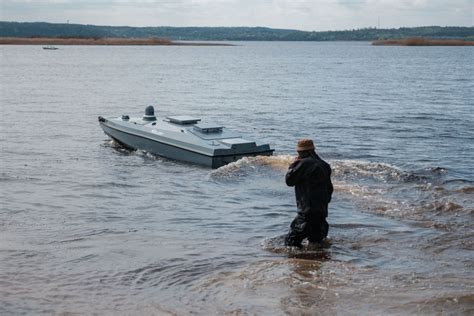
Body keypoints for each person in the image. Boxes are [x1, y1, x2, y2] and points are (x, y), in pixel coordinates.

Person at [284, 139, 333, 248]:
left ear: (301, 152)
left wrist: (292, 165)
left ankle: (299, 264)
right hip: (322, 214)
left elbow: (289, 181)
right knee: (316, 245)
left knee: (290, 245)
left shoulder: (303, 163)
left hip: (306, 214)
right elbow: (329, 190)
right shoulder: (325, 165)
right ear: (313, 150)